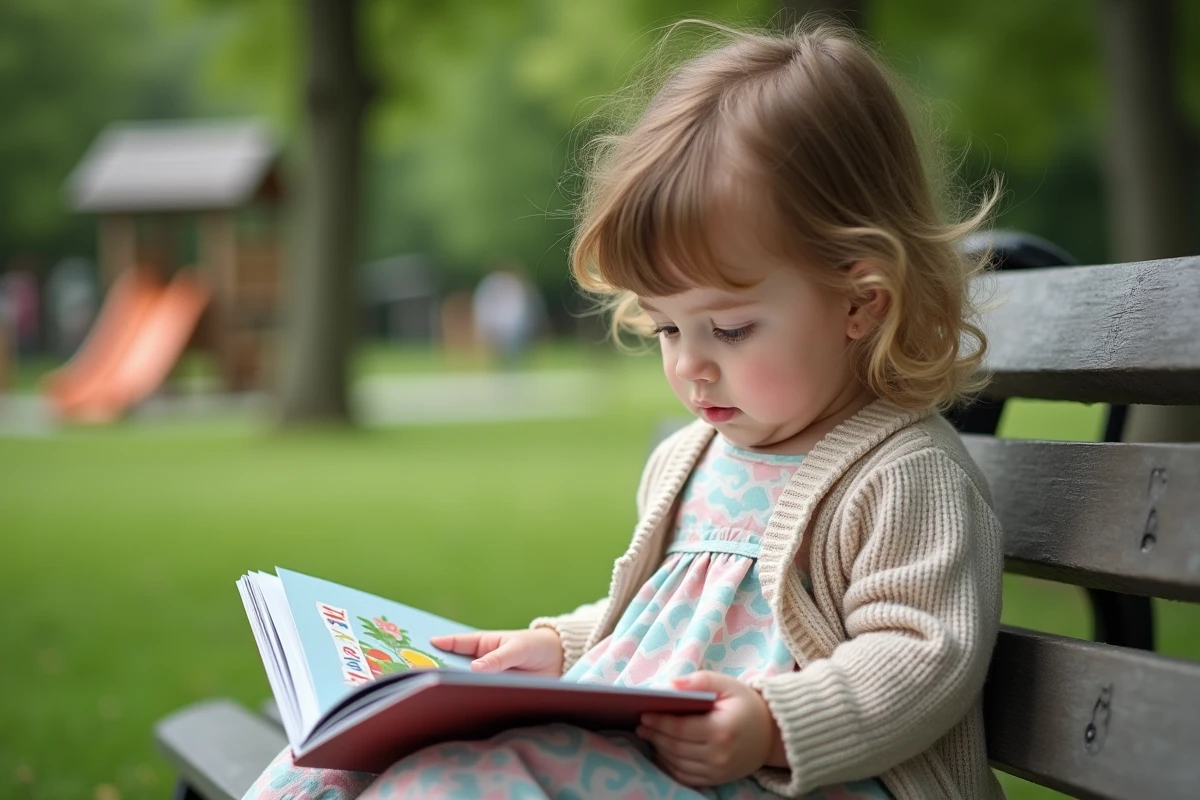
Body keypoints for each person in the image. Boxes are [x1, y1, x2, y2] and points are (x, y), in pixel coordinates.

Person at [243, 18, 1005, 800]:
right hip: (659, 768)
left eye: (731, 329)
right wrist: (560, 647)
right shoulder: (689, 460)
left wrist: (773, 724)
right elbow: (655, 620)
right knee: (335, 756)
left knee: (465, 780)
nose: (689, 364)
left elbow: (921, 657)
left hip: (797, 780)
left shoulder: (904, 476)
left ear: (862, 304)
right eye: (667, 327)